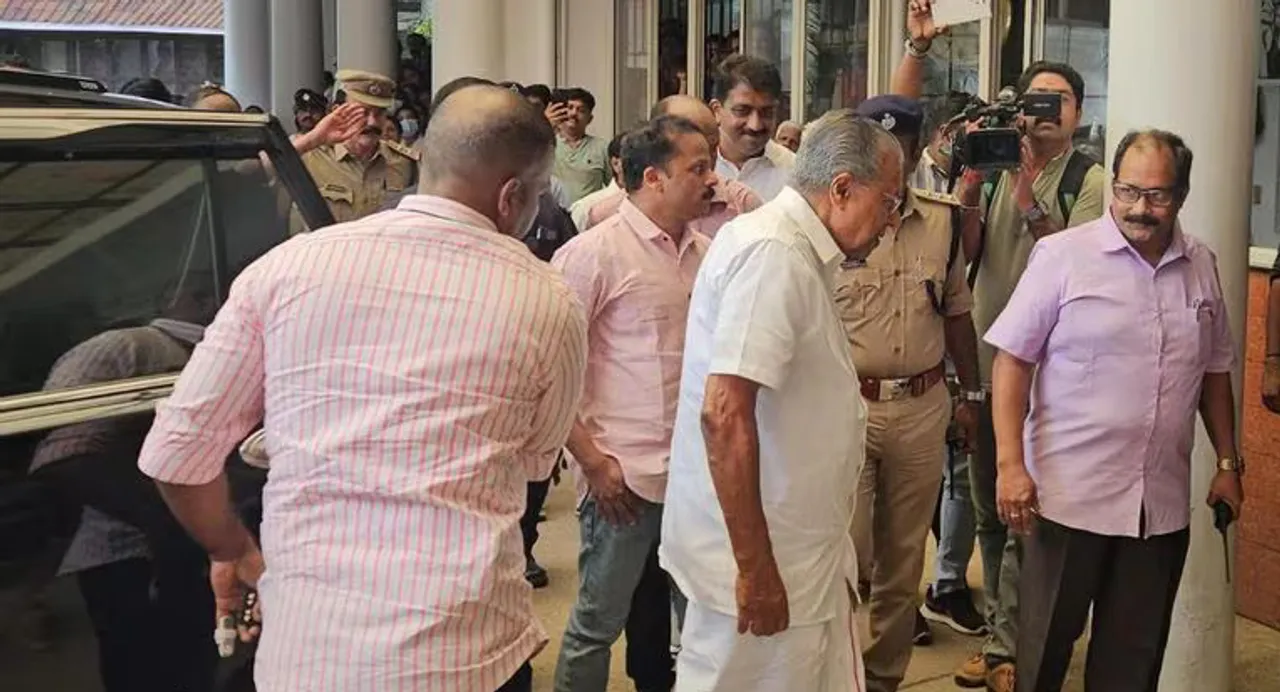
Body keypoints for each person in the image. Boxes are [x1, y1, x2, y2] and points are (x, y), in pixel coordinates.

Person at [136, 84, 588, 692]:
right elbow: (534, 461)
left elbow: (175, 454)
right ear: (511, 196)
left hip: (310, 655)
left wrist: (233, 550)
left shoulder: (288, 267)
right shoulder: (549, 299)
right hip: (468, 653)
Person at [894, 7, 1108, 689]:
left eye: (1057, 101)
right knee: (988, 505)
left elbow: (1079, 267)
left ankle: (1013, 643)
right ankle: (1001, 630)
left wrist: (1029, 197)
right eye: (1034, 101)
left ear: (1077, 112)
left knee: (1027, 514)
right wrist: (970, 188)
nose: (1044, 113)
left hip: (1053, 376)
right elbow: (967, 257)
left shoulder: (1088, 180)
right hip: (989, 366)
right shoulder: (991, 166)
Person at [984, 129, 1243, 691]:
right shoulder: (1062, 256)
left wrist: (1228, 462)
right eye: (1127, 191)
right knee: (1042, 656)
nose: (1138, 208)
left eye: (1157, 195)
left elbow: (1214, 371)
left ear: (1182, 194)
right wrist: (1009, 464)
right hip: (1065, 501)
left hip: (1158, 510)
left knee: (1132, 666)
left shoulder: (1201, 264)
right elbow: (1012, 361)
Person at [661, 111, 904, 692]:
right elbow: (724, 414)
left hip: (794, 550)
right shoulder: (774, 252)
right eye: (889, 202)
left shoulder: (789, 246)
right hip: (765, 563)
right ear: (842, 188)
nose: (892, 220)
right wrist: (756, 570)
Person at [551, 115, 717, 692]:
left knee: (700, 622)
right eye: (698, 168)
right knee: (597, 624)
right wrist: (594, 463)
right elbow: (551, 372)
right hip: (622, 480)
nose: (712, 179)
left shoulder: (707, 253)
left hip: (694, 478)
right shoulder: (593, 254)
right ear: (654, 177)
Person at [839, 96, 982, 692]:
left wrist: (970, 395)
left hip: (922, 408)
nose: (889, 160)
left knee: (902, 564)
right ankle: (838, 674)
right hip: (848, 409)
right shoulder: (836, 220)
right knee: (847, 557)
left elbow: (957, 313)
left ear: (918, 147)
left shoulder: (943, 221)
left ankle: (881, 679)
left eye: (900, 146)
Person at [582, 95, 763, 238]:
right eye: (697, 157)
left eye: (713, 147)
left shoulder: (742, 204)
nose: (710, 160)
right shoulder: (604, 219)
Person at [299, 70, 419, 224]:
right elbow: (268, 172)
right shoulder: (309, 157)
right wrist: (311, 140)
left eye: (379, 113)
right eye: (363, 112)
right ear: (337, 112)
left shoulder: (404, 162)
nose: (372, 122)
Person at [709, 54, 796, 201]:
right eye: (742, 111)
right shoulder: (693, 168)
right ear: (716, 111)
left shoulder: (794, 172)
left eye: (767, 113)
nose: (755, 125)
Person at [554, 87, 612, 204]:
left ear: (589, 119)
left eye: (581, 110)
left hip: (590, 213)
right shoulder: (548, 145)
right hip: (554, 213)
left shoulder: (602, 148)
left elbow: (614, 188)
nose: (573, 113)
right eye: (570, 108)